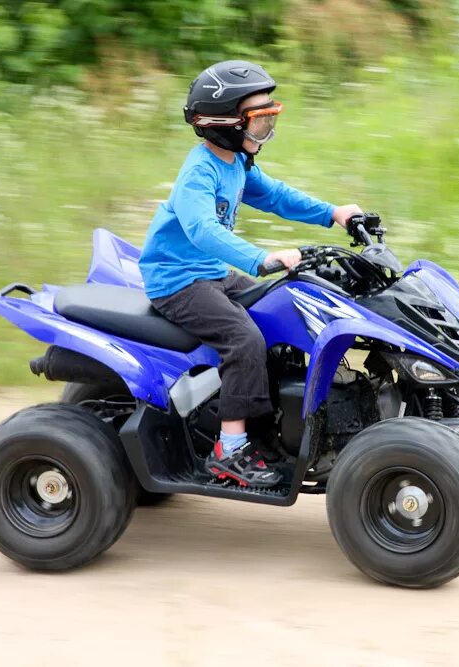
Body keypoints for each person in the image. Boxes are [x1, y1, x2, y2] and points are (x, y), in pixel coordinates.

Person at [138, 60, 361, 488]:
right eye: (258, 122)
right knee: (243, 340)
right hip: (178, 281)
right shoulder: (198, 174)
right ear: (223, 124)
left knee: (283, 309)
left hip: (210, 273)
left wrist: (333, 214)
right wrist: (261, 257)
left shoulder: (236, 162)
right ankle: (230, 451)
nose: (265, 133)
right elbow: (202, 231)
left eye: (268, 120)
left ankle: (270, 422)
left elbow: (275, 195)